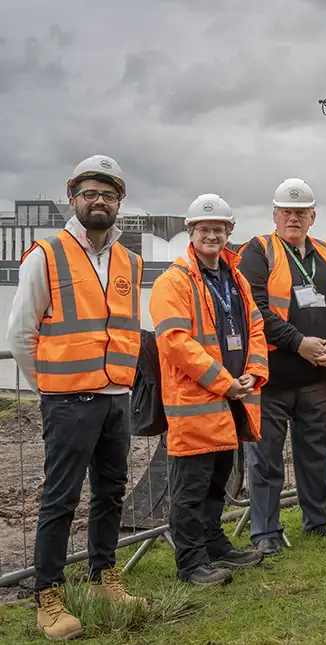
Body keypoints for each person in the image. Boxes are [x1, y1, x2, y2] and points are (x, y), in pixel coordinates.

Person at [7, 155, 142, 640]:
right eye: (90, 194)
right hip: (68, 399)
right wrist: (50, 385)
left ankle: (104, 576)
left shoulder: (129, 260)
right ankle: (48, 595)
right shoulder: (49, 254)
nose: (99, 201)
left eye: (108, 194)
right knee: (61, 498)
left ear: (119, 201)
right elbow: (22, 332)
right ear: (73, 198)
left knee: (111, 492)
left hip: (115, 398)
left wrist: (120, 385)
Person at [150, 195, 269, 586]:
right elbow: (174, 341)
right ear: (191, 232)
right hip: (197, 401)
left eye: (219, 229)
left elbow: (254, 328)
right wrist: (225, 381)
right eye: (205, 229)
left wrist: (253, 372)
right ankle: (190, 560)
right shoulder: (174, 281)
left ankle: (215, 544)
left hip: (233, 398)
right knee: (190, 487)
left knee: (218, 479)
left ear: (229, 232)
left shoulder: (236, 279)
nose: (212, 235)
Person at [238, 178, 326, 556]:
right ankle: (265, 532)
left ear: (312, 217)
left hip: (320, 379)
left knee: (317, 455)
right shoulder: (257, 251)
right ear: (275, 215)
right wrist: (297, 342)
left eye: (300, 212)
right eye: (286, 211)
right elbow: (253, 307)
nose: (293, 217)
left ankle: (319, 521)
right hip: (271, 378)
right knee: (266, 458)